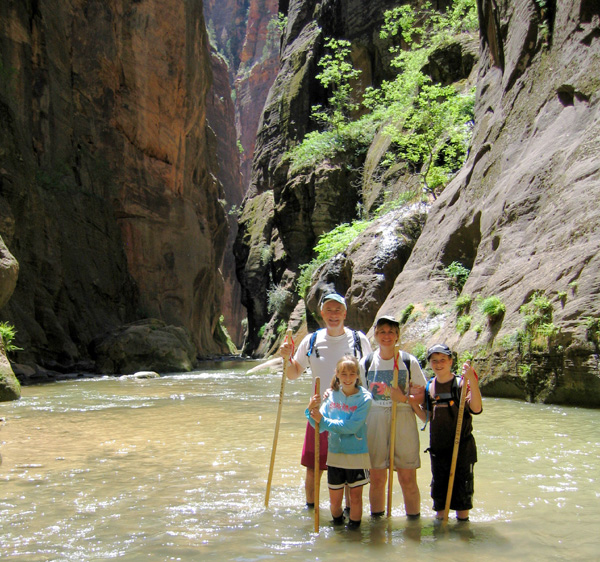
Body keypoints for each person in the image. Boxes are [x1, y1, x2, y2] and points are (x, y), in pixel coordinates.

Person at [279, 292, 371, 508]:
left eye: (338, 309)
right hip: (319, 413)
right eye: (328, 309)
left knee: (349, 467)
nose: (333, 314)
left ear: (345, 313)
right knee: (314, 466)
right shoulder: (312, 340)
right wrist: (286, 358)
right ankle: (311, 510)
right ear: (321, 313)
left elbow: (370, 372)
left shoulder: (359, 340)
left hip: (351, 413)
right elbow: (293, 374)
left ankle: (349, 513)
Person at [360, 315, 426, 519]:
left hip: (404, 417)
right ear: (376, 335)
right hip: (375, 419)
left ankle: (413, 524)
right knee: (377, 477)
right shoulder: (367, 362)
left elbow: (422, 394)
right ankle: (377, 523)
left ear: (397, 335)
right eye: (382, 332)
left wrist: (404, 398)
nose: (386, 336)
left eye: (391, 332)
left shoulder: (408, 361)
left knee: (407, 477)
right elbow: (359, 396)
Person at [306, 354, 372, 529]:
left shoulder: (365, 398)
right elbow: (318, 425)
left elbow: (350, 427)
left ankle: (354, 532)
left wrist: (323, 420)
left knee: (356, 498)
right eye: (344, 374)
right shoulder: (332, 396)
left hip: (357, 454)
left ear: (358, 375)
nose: (348, 378)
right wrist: (310, 409)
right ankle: (337, 527)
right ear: (336, 375)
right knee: (335, 504)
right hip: (335, 454)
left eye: (352, 374)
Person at [418, 343, 482, 522]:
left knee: (462, 499)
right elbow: (426, 418)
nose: (439, 364)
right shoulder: (429, 386)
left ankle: (462, 532)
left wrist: (473, 381)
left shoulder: (461, 384)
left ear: (450, 361)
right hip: (438, 450)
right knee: (440, 499)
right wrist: (411, 402)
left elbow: (476, 409)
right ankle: (441, 536)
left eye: (443, 360)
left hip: (461, 449)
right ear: (430, 363)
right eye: (434, 360)